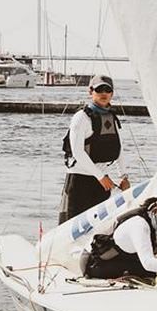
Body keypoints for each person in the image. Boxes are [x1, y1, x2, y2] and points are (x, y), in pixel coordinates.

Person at [58, 75, 130, 224]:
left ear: (112, 93)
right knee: (73, 225)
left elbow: (119, 149)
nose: (104, 93)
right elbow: (78, 152)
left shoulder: (111, 117)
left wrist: (123, 176)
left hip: (102, 182)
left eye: (107, 90)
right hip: (80, 180)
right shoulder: (81, 117)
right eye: (99, 89)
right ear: (90, 91)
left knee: (99, 229)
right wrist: (100, 176)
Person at [84, 193, 157, 281]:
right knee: (152, 273)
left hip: (126, 259)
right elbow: (148, 263)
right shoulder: (139, 225)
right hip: (96, 264)